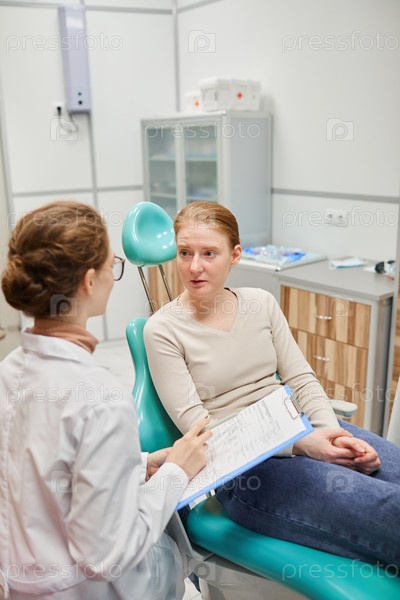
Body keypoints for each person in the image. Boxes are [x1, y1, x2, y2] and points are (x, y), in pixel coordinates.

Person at [144, 200, 400, 571]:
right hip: (245, 471)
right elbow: (202, 432)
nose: (194, 266)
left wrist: (331, 435)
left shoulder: (260, 303)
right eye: (185, 253)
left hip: (304, 429)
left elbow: (302, 379)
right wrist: (301, 445)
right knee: (390, 511)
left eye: (209, 253)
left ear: (235, 256)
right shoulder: (163, 330)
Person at [0, 200, 211, 600]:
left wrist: (136, 465)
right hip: (85, 589)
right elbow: (107, 555)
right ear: (88, 282)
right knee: (179, 545)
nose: (114, 276)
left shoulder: (9, 370)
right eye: (111, 264)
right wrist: (176, 472)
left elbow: (41, 474)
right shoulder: (100, 397)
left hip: (24, 583)